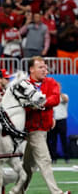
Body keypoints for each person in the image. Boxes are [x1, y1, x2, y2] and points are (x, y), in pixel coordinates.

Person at [21, 56, 70, 194]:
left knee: (27, 167)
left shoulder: (51, 82)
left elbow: (55, 98)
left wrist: (39, 103)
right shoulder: (23, 84)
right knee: (45, 160)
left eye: (46, 67)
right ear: (31, 69)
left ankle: (17, 191)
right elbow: (21, 106)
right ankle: (56, 192)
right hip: (30, 129)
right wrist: (31, 107)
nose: (45, 70)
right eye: (41, 67)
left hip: (43, 128)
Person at [48, 83, 69, 164]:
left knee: (63, 140)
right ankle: (53, 158)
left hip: (62, 120)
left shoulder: (64, 96)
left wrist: (58, 92)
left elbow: (65, 100)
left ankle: (66, 157)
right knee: (53, 140)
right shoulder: (51, 97)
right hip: (53, 120)